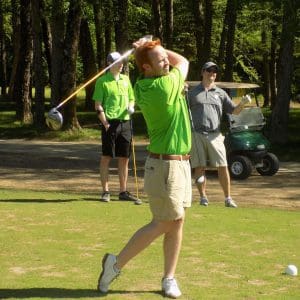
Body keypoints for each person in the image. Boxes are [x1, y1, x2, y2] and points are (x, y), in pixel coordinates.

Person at [96, 39, 191, 299]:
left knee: (177, 221)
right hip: (165, 166)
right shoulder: (162, 85)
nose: (166, 62)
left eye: (164, 58)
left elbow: (171, 65)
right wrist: (146, 47)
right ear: (147, 68)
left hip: (180, 163)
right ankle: (115, 264)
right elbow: (183, 61)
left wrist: (147, 48)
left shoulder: (143, 83)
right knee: (163, 222)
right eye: (160, 60)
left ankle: (169, 278)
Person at [188, 61, 251, 208]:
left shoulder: (220, 93)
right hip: (197, 134)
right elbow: (182, 112)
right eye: (209, 70)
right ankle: (203, 197)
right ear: (202, 72)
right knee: (199, 167)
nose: (212, 73)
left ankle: (228, 198)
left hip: (215, 134)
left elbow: (234, 111)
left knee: (223, 165)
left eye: (214, 71)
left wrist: (242, 103)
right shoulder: (191, 93)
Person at [93, 51, 141, 205]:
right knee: (106, 157)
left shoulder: (126, 80)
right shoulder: (102, 81)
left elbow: (132, 98)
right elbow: (98, 105)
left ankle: (123, 191)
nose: (121, 65)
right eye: (117, 62)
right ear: (109, 64)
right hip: (110, 123)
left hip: (125, 122)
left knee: (124, 158)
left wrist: (131, 106)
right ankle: (106, 191)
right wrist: (105, 123)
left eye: (121, 62)